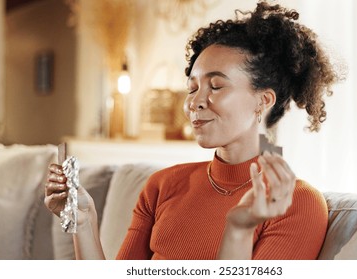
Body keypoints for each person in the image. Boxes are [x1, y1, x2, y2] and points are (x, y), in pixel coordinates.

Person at [44, 1, 341, 260]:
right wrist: (82, 220)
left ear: (263, 100)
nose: (195, 102)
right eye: (192, 88)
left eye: (216, 86)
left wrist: (238, 229)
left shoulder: (297, 205)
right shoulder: (162, 186)